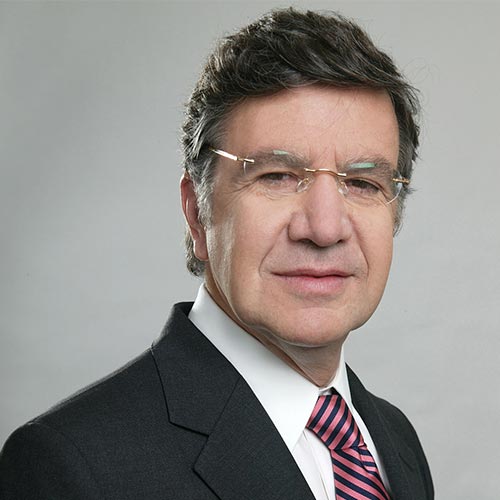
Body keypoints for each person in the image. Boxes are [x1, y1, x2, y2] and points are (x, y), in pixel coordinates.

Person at [0, 8, 433, 499]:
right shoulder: (71, 467)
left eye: (363, 183)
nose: (324, 228)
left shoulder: (393, 442)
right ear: (197, 213)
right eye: (277, 176)